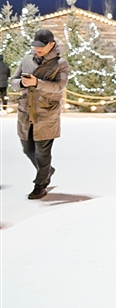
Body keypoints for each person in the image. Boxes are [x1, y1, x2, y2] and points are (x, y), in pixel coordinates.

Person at [10, 29, 70, 199]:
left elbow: (59, 86)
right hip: (26, 113)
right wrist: (22, 83)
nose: (38, 49)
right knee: (27, 149)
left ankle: (40, 185)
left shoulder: (60, 64)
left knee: (42, 154)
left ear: (51, 44)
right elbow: (13, 81)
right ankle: (47, 170)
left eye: (42, 46)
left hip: (46, 114)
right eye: (36, 45)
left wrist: (37, 83)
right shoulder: (26, 60)